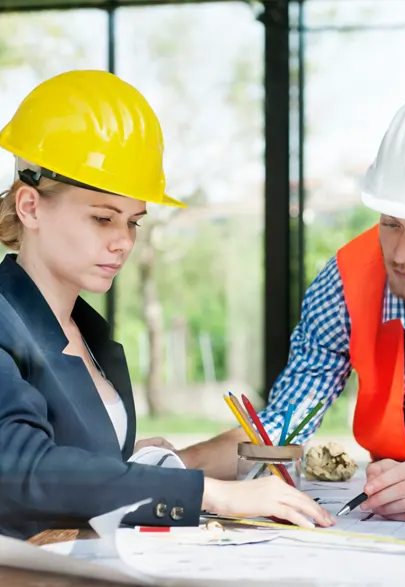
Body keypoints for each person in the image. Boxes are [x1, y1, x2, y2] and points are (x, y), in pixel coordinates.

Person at [0, 69, 333, 540]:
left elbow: (77, 466)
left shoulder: (89, 335)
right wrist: (206, 492)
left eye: (134, 221)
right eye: (102, 218)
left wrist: (136, 465)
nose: (122, 242)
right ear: (30, 207)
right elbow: (20, 468)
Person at [179, 90, 405, 522]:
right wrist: (173, 468)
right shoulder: (348, 279)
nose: (402, 253)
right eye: (391, 224)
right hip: (391, 519)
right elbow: (285, 423)